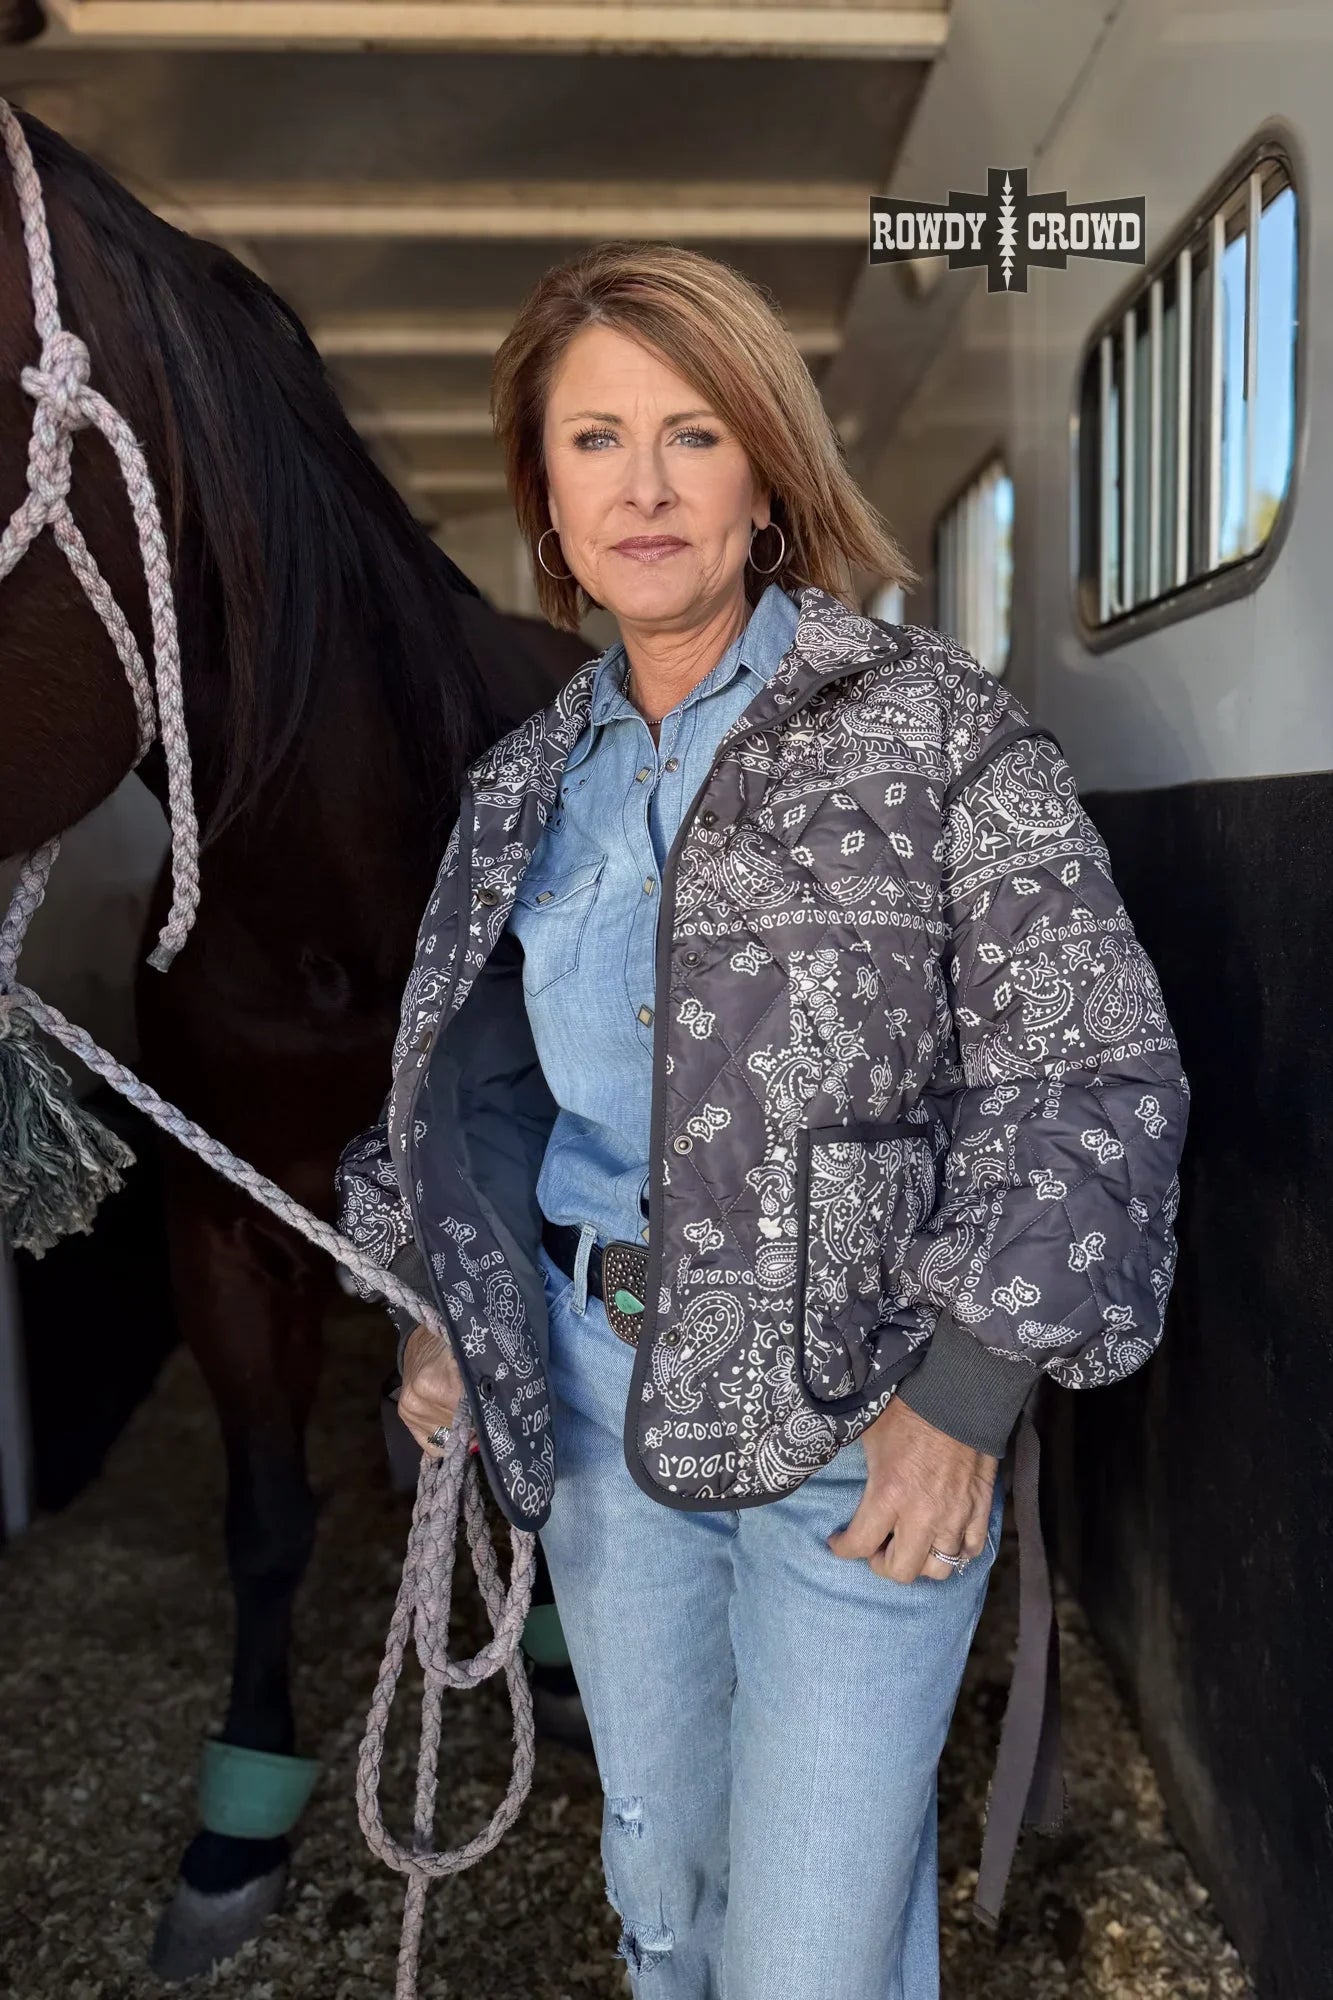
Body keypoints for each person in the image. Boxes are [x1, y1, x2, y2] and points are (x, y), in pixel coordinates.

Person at [335, 242, 1187, 1999]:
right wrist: (445, 1304)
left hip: (858, 1423)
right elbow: (458, 1101)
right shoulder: (523, 786)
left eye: (691, 435)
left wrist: (961, 1401)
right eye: (592, 442)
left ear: (767, 473)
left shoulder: (932, 731)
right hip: (590, 1396)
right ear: (543, 497)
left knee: (805, 1951)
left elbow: (1093, 1074)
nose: (642, 488)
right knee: (666, 1895)